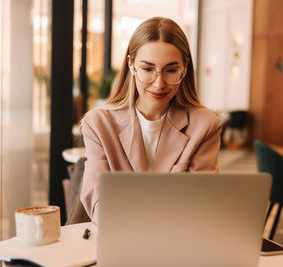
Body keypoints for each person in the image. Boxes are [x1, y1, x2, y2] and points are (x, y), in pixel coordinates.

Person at [80, 17, 221, 224]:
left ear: (184, 68)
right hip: (121, 242)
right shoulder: (98, 125)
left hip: (178, 243)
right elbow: (100, 205)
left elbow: (198, 205)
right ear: (131, 64)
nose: (159, 84)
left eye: (171, 70)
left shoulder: (205, 126)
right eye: (147, 69)